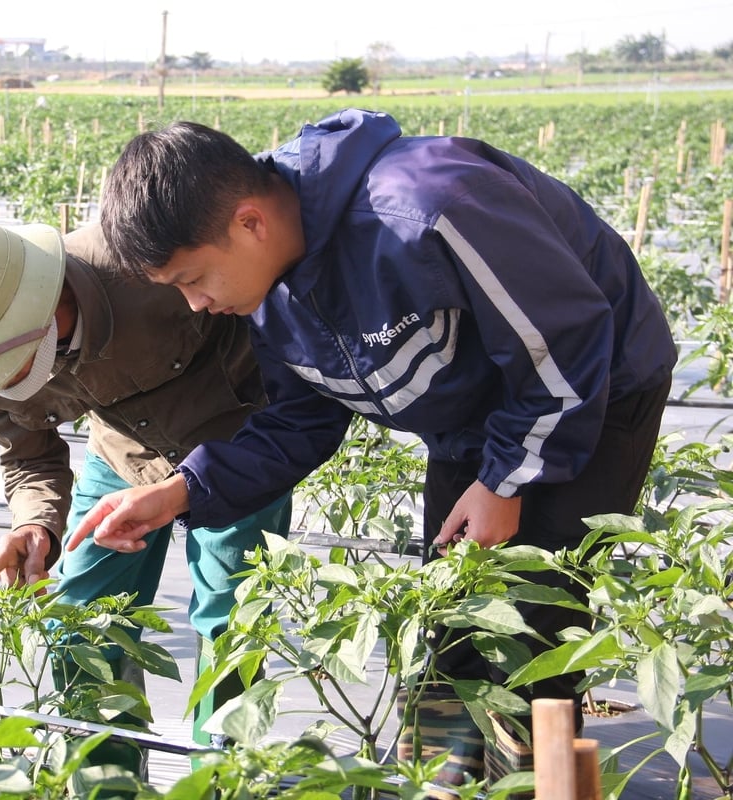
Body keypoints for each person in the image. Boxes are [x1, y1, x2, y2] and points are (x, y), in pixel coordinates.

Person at [67, 109, 677, 790]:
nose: (196, 305)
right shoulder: (273, 293)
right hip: (477, 415)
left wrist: (505, 483)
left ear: (248, 222)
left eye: (192, 278)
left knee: (532, 634)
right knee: (448, 622)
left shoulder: (427, 206)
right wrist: (180, 490)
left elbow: (565, 342)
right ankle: (440, 784)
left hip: (596, 390)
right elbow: (297, 425)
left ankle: (540, 784)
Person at [0, 219, 292, 784]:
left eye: (13, 366)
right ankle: (108, 782)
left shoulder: (151, 257)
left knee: (233, 619)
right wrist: (36, 525)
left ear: (47, 302)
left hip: (234, 440)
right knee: (82, 621)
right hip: (126, 451)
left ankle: (225, 780)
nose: (7, 386)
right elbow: (28, 457)